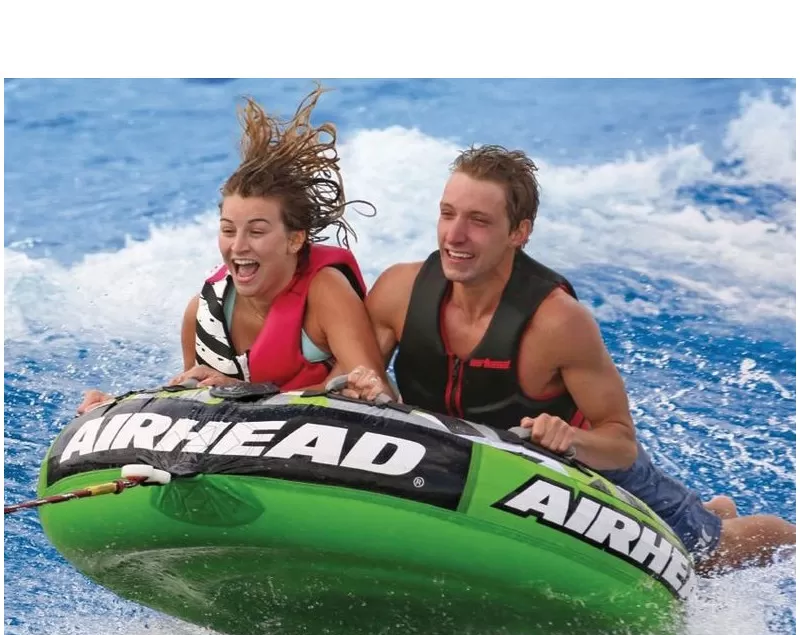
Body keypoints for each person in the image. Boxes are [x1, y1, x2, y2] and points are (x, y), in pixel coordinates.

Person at [338, 144, 795, 575]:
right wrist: (365, 387)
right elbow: (354, 378)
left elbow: (620, 441)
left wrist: (570, 439)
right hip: (454, 465)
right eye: (447, 214)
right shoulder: (399, 291)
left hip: (580, 474)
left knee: (710, 554)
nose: (454, 235)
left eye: (478, 221)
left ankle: (756, 528)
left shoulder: (557, 322)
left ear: (518, 233)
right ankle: (713, 508)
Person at [78, 85, 393, 414]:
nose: (238, 246)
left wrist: (245, 393)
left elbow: (373, 392)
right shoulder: (202, 316)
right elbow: (188, 412)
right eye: (228, 230)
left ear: (295, 240)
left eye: (257, 231)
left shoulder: (326, 293)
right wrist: (117, 406)